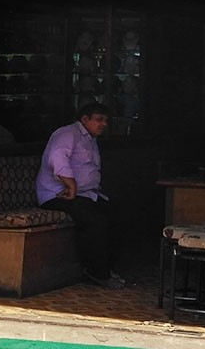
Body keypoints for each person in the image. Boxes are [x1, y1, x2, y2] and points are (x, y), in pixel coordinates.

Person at [36, 100, 123, 289]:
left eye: (106, 120)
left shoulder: (91, 139)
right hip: (58, 195)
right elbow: (57, 158)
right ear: (84, 119)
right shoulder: (67, 134)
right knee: (96, 221)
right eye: (99, 119)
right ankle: (97, 272)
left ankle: (107, 268)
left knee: (116, 216)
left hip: (85, 195)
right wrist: (71, 185)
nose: (104, 124)